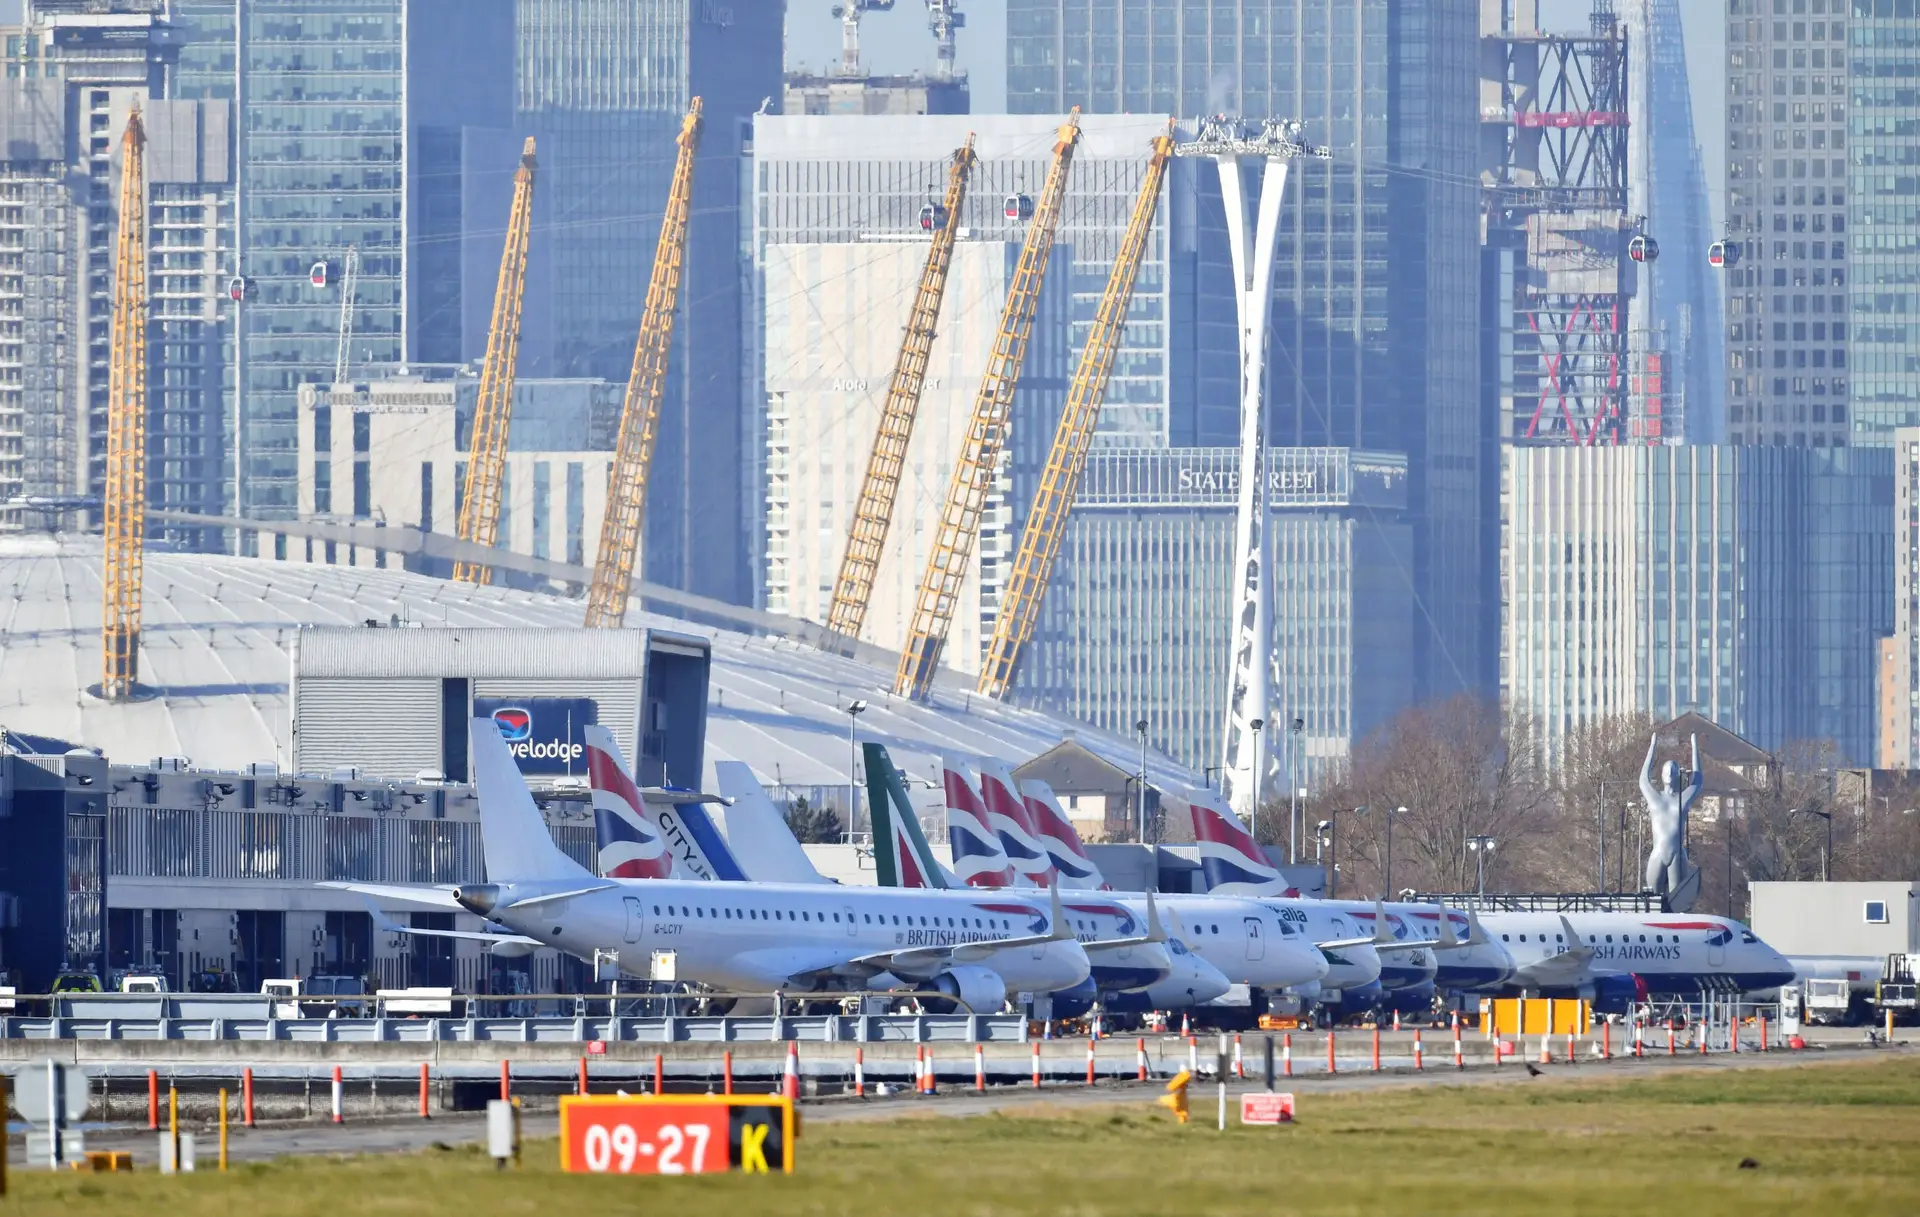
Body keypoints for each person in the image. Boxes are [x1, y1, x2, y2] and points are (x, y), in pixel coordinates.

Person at [1638, 733, 1703, 907]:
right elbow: (1643, 778)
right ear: (1662, 775)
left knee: (1677, 902)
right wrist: (1652, 746)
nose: (1670, 772)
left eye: (1673, 770)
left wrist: (1694, 746)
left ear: (1677, 775)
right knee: (1652, 902)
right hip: (1658, 852)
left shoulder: (1682, 798)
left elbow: (1698, 780)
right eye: (1667, 770)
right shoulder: (1655, 798)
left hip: (1677, 854)